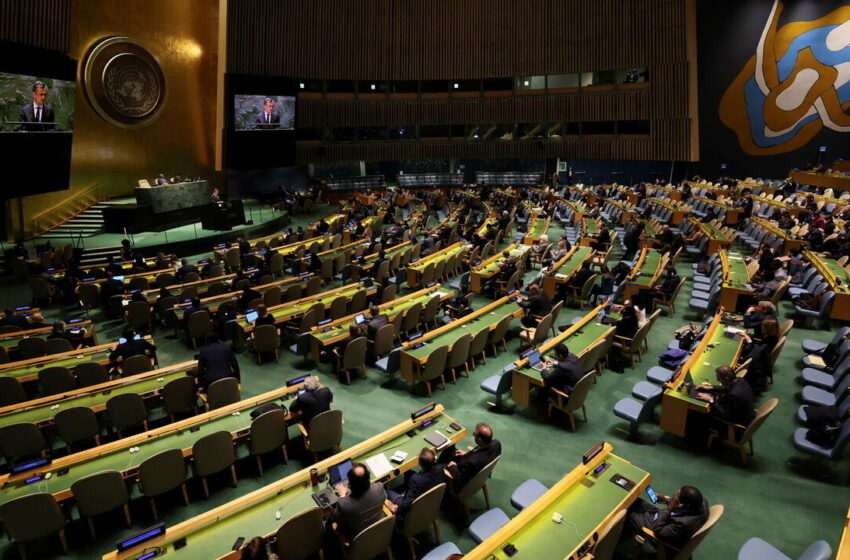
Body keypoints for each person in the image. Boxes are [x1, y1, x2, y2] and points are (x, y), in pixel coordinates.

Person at [624, 485, 709, 557]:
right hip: (666, 517)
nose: (676, 494)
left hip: (656, 527)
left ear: (680, 504)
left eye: (677, 495)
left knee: (627, 513)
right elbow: (682, 506)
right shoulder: (701, 502)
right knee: (637, 502)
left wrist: (670, 507)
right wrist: (666, 500)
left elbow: (658, 531)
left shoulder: (683, 524)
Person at [328, 462, 386, 540]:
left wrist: (342, 496)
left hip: (359, 540)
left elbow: (335, 518)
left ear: (350, 485)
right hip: (381, 532)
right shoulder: (379, 487)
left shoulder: (344, 504)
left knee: (329, 523)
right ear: (368, 477)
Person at [438, 422, 501, 489]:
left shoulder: (472, 462)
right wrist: (467, 454)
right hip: (470, 464)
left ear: (479, 439)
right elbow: (480, 453)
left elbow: (459, 480)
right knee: (451, 445)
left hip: (459, 472)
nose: (474, 435)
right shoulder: (496, 444)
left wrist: (453, 466)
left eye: (474, 434)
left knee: (438, 467)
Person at [387, 448, 448, 517]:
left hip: (414, 511)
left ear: (420, 463)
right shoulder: (440, 469)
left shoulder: (416, 480)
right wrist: (406, 470)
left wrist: (396, 509)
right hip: (432, 503)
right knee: (411, 475)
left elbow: (406, 505)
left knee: (387, 492)